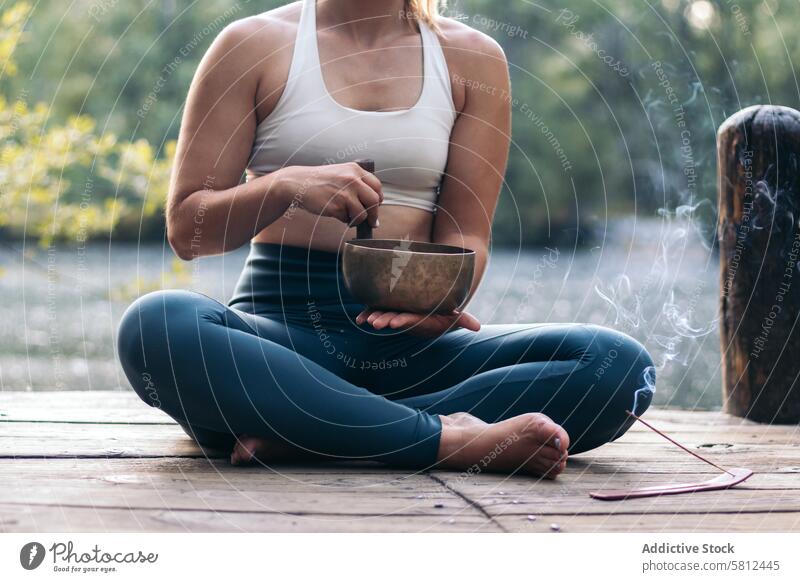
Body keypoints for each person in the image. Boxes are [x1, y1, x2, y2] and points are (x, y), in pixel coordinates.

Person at [117, 0, 654, 478]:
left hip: (412, 348)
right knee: (157, 326)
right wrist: (285, 186)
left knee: (619, 366)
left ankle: (319, 431)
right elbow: (189, 230)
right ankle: (447, 438)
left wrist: (446, 297)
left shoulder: (471, 57)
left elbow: (467, 231)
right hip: (279, 344)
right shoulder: (252, 44)